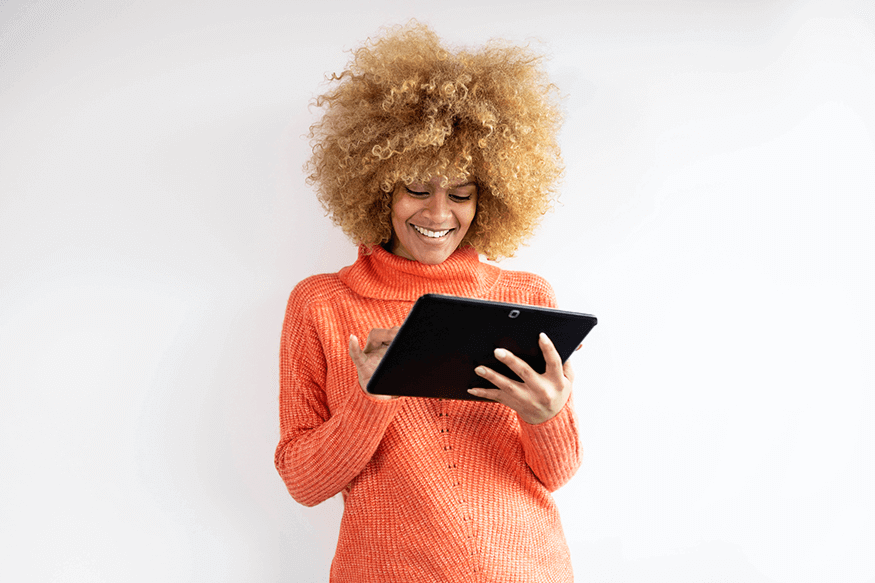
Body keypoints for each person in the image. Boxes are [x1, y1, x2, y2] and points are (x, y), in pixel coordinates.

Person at [275, 21, 580, 582]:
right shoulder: (322, 302)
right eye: (417, 189)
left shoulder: (524, 295)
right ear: (377, 186)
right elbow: (304, 482)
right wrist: (373, 398)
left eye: (460, 193)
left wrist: (549, 417)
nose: (439, 215)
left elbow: (554, 473)